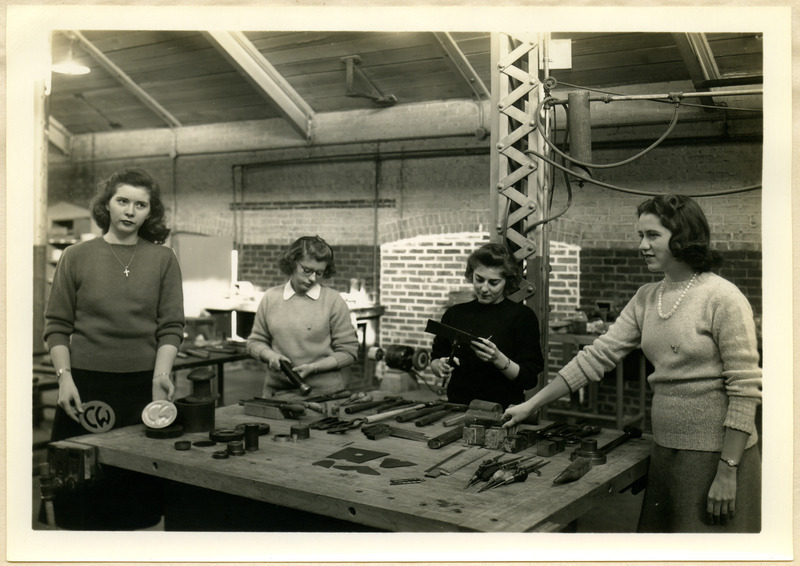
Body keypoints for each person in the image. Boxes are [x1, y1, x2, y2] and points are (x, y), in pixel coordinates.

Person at [503, 194, 762, 533]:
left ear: (683, 237)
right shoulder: (646, 297)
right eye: (640, 235)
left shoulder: (723, 297)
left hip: (718, 457)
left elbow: (744, 389)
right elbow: (596, 356)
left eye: (652, 235)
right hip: (666, 450)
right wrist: (531, 405)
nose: (642, 245)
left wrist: (728, 470)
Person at [43, 167, 185, 529]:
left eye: (140, 204)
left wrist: (162, 376)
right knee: (79, 502)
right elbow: (57, 327)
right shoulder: (75, 256)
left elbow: (171, 328)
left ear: (149, 212)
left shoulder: (163, 259)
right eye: (122, 200)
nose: (130, 210)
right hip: (85, 389)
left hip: (143, 389)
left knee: (135, 504)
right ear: (106, 204)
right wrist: (64, 379)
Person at [429, 243, 545, 408]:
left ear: (507, 281)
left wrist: (498, 359)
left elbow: (529, 379)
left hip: (503, 411)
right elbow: (436, 358)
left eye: (493, 282)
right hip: (457, 408)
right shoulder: (455, 314)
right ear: (472, 274)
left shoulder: (522, 317)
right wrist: (439, 366)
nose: (484, 288)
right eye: (479, 279)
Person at [246, 235, 358, 397]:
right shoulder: (271, 298)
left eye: (319, 273)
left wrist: (314, 367)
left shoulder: (333, 301)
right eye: (307, 270)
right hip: (276, 392)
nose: (312, 278)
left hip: (324, 394)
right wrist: (270, 356)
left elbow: (349, 352)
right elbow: (255, 342)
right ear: (292, 262)